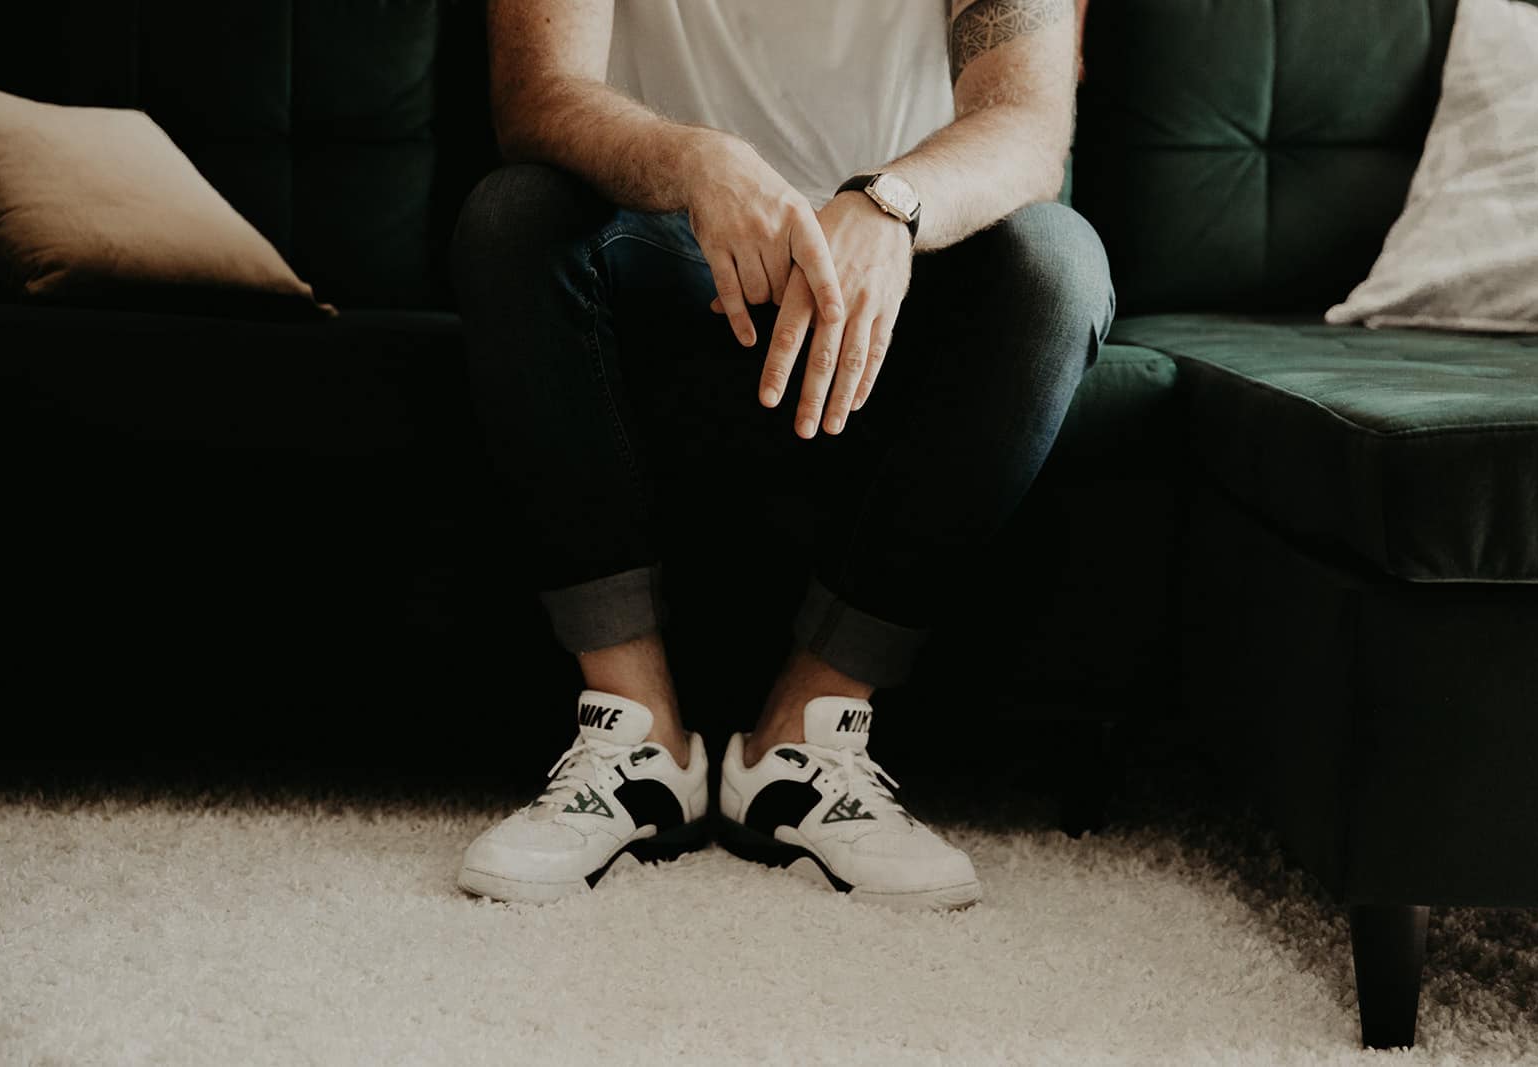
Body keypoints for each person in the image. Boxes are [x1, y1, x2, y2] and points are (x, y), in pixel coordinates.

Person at [451, 0, 1113, 910]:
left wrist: (891, 204)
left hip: (905, 260)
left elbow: (1030, 124)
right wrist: (697, 160)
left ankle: (803, 744)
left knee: (1059, 263)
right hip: (665, 248)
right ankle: (638, 739)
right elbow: (536, 93)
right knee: (511, 214)